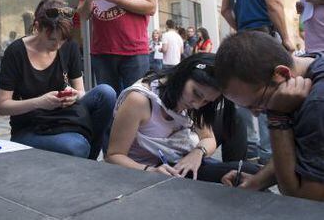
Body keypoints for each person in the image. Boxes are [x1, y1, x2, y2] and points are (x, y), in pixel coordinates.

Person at [106, 53, 258, 183]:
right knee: (247, 171)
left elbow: (208, 138)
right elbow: (113, 156)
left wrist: (197, 153)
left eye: (206, 101)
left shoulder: (193, 103)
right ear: (183, 75)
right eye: (196, 94)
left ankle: (231, 182)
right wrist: (149, 170)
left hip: (184, 154)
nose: (197, 105)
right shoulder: (140, 100)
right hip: (160, 168)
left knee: (235, 119)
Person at [0, 0, 116, 159]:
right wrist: (40, 102)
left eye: (62, 40)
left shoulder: (69, 46)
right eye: (52, 39)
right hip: (30, 127)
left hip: (65, 117)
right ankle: (86, 158)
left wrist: (74, 95)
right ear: (38, 27)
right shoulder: (16, 52)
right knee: (77, 146)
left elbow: (80, 91)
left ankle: (89, 161)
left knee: (106, 93)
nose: (58, 45)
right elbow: (2, 106)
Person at [215, 31, 324, 201]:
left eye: (258, 102)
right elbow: (303, 152)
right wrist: (254, 183)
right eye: (247, 107)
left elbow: (304, 198)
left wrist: (278, 118)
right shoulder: (312, 62)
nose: (256, 113)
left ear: (282, 74)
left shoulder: (317, 104)